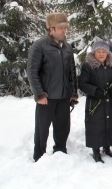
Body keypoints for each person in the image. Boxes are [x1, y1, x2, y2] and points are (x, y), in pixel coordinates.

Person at [27, 12, 78, 162]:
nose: (64, 31)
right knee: (42, 130)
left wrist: (73, 92)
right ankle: (39, 156)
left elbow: (72, 72)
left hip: (63, 96)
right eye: (61, 28)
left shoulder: (68, 48)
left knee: (63, 128)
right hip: (47, 97)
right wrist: (39, 94)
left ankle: (60, 153)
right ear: (51, 29)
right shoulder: (39, 46)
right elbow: (32, 71)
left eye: (65, 28)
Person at [78, 40, 112, 163]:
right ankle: (96, 151)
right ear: (94, 53)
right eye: (98, 52)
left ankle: (107, 148)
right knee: (96, 125)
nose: (101, 54)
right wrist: (95, 91)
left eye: (104, 52)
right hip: (95, 102)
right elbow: (82, 84)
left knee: (109, 123)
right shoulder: (88, 67)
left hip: (110, 101)